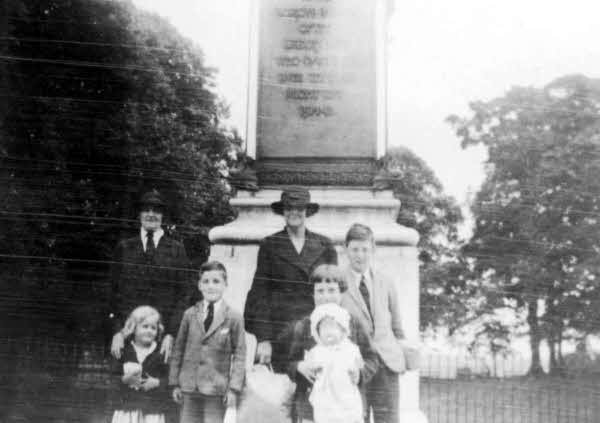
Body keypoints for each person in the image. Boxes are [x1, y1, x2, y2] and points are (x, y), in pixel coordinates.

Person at [244, 187, 337, 371]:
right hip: (280, 333)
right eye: (288, 208)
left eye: (299, 208)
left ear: (307, 212)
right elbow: (259, 295)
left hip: (316, 331)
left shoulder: (325, 245)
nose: (294, 212)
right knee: (280, 393)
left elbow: (335, 293)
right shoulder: (270, 245)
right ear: (283, 211)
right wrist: (263, 339)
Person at [284, 264, 378, 423]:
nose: (326, 297)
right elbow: (288, 363)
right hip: (312, 409)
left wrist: (360, 373)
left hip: (349, 407)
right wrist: (299, 367)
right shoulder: (304, 326)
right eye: (320, 291)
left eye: (332, 290)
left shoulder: (353, 323)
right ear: (312, 294)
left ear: (342, 293)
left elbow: (372, 359)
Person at [109, 190, 192, 363]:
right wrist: (117, 331)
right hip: (127, 337)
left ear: (163, 216)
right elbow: (112, 293)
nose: (151, 214)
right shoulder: (124, 247)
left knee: (157, 385)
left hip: (162, 340)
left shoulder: (176, 249)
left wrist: (171, 333)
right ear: (139, 214)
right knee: (125, 385)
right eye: (146, 210)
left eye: (156, 211)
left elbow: (184, 295)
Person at [341, 223, 412, 423]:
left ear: (372, 250)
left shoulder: (385, 281)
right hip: (357, 366)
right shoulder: (338, 284)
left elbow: (397, 327)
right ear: (345, 249)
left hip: (387, 366)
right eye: (355, 249)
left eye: (365, 249)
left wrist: (400, 354)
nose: (360, 255)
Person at [169, 261, 246, 423]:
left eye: (216, 281)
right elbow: (178, 350)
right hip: (189, 387)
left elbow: (240, 355)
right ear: (199, 285)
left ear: (226, 285)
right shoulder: (189, 315)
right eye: (206, 281)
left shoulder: (234, 317)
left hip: (216, 389)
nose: (211, 286)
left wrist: (233, 389)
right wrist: (175, 383)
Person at [306, 303, 364, 423]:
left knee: (350, 415)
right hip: (325, 394)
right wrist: (313, 367)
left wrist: (356, 370)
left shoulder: (350, 348)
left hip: (345, 391)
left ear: (343, 330)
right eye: (323, 328)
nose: (328, 332)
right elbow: (310, 364)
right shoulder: (317, 350)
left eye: (332, 327)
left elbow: (359, 363)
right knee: (324, 415)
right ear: (317, 332)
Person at [110, 306, 169, 423]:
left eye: (153, 328)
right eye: (145, 326)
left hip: (152, 412)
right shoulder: (124, 350)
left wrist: (157, 383)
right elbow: (112, 378)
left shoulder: (161, 353)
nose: (149, 330)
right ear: (134, 328)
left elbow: (170, 379)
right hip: (126, 411)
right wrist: (124, 379)